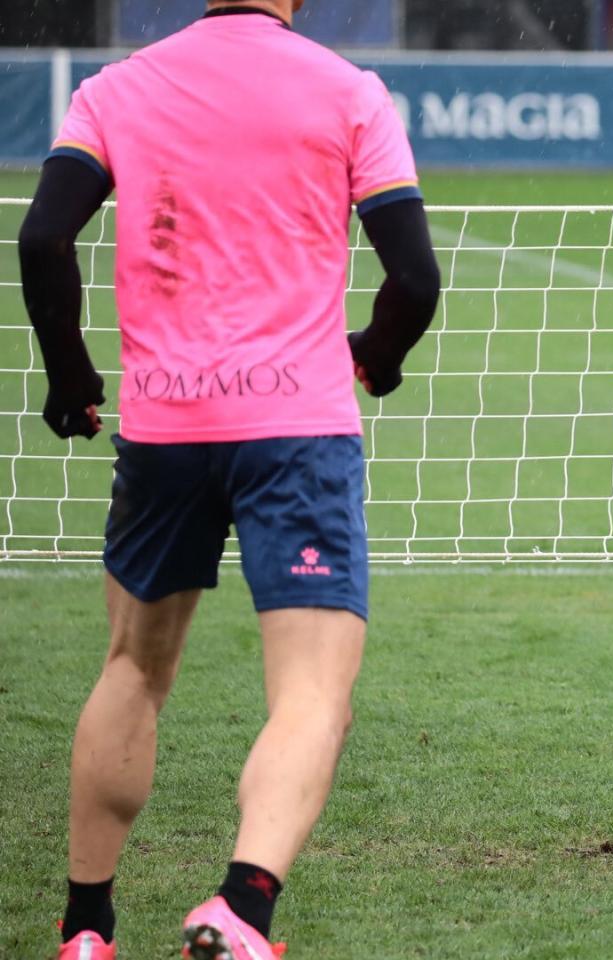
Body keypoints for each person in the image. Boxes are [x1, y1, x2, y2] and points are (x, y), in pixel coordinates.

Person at [17, 2, 440, 956]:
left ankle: (87, 927)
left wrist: (73, 376)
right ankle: (241, 907)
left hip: (164, 426)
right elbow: (414, 278)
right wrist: (372, 355)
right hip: (296, 427)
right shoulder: (347, 91)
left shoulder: (116, 88)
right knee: (311, 692)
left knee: (132, 668)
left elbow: (43, 238)